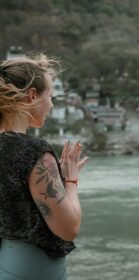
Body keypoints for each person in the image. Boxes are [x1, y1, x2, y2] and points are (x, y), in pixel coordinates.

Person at [0, 54, 88, 279]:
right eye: (51, 96)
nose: (51, 104)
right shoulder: (32, 152)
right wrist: (70, 180)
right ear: (32, 96)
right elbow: (68, 229)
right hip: (34, 270)